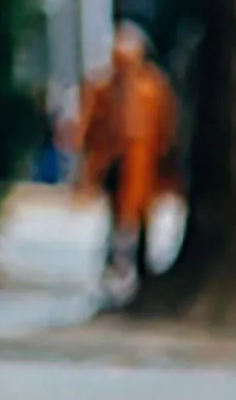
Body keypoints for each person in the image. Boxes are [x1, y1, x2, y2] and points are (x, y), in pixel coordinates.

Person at [74, 21, 180, 293]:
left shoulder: (152, 86)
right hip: (113, 158)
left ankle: (140, 262)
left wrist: (166, 154)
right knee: (116, 210)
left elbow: (166, 124)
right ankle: (115, 259)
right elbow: (90, 123)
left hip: (144, 159)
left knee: (141, 210)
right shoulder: (103, 86)